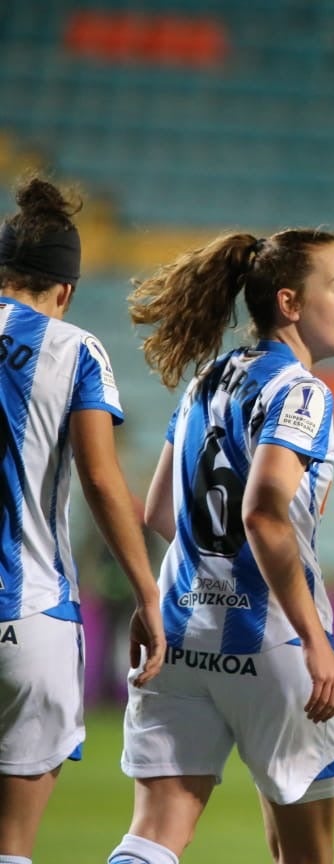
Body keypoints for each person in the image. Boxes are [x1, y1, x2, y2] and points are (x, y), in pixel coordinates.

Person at [106, 228, 334, 864]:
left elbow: (161, 510)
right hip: (275, 644)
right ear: (290, 303)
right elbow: (264, 514)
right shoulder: (301, 392)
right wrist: (313, 639)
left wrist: (211, 571)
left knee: (154, 833)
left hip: (181, 634)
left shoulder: (207, 380)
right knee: (305, 853)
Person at [0, 174, 164, 864]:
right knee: (11, 845)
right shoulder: (74, 350)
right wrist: (147, 593)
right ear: (64, 290)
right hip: (29, 612)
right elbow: (100, 478)